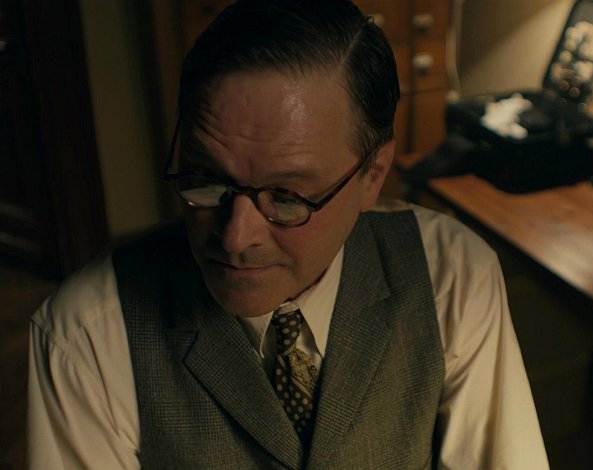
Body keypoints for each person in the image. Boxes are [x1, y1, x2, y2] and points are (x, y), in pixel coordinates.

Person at [27, 1, 549, 468]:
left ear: (372, 175)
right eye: (206, 179)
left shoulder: (451, 275)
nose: (235, 236)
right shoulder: (85, 334)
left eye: (287, 196)